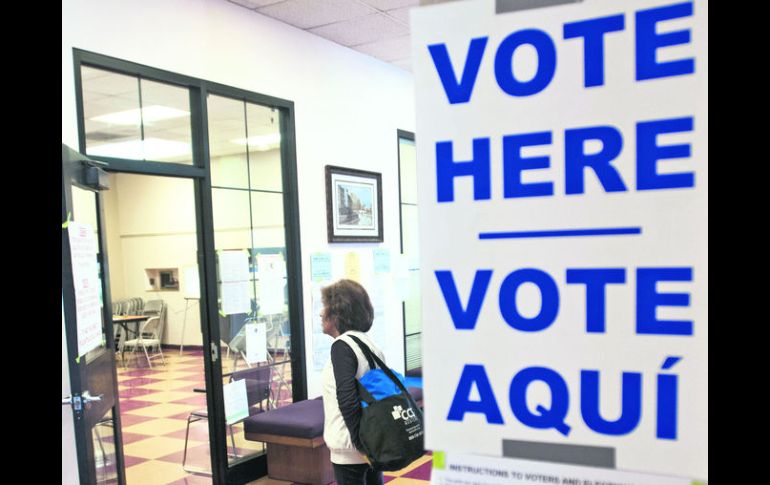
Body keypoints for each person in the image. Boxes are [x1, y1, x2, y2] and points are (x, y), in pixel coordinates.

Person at [320, 279, 385, 485]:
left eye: (325, 308)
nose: (321, 314)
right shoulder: (368, 344)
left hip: (351, 449)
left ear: (338, 314)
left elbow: (347, 398)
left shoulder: (341, 346)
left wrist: (359, 443)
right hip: (372, 443)